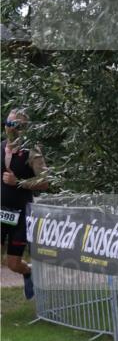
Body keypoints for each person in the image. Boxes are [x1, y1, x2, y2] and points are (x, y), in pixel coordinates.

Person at [2, 108, 49, 300]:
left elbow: (46, 182)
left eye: (17, 125)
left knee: (13, 264)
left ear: (24, 128)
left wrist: (19, 182)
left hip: (20, 214)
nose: (12, 128)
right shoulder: (0, 147)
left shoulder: (32, 152)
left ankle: (28, 272)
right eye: (9, 123)